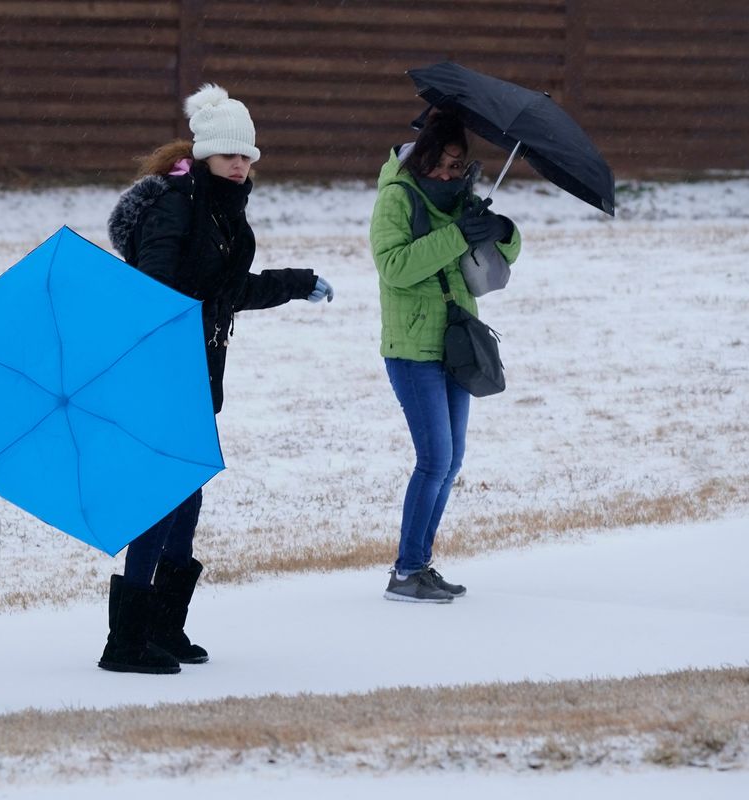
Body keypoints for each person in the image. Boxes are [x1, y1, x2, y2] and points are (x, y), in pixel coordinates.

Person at [100, 83, 334, 673]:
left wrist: (295, 283)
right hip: (160, 370)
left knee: (189, 492)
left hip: (198, 369)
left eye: (246, 154)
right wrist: (195, 312)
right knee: (163, 494)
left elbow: (226, 291)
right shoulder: (177, 205)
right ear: (203, 154)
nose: (239, 163)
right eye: (228, 153)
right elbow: (154, 289)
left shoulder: (225, 211)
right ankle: (126, 644)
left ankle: (164, 628)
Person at [369, 110, 521, 603]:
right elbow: (395, 267)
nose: (454, 174)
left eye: (462, 166)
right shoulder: (396, 197)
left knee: (452, 459)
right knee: (434, 458)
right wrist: (457, 234)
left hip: (455, 342)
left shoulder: (459, 198)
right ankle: (405, 572)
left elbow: (505, 256)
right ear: (428, 155)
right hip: (413, 349)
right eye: (448, 163)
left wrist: (501, 228)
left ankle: (421, 564)